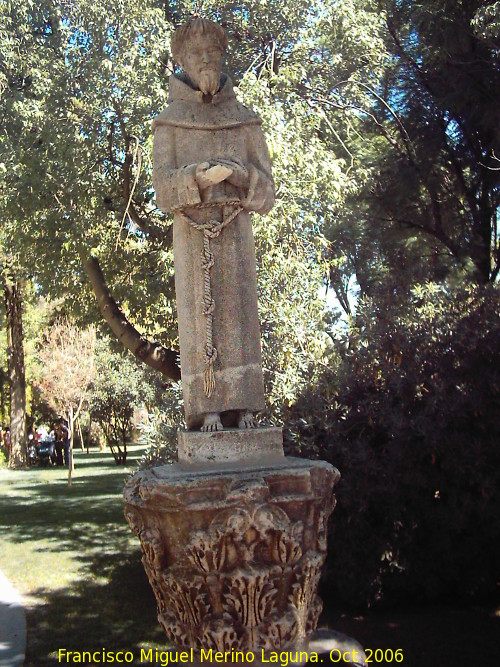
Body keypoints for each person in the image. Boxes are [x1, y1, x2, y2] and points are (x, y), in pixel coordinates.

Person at [152, 18, 275, 432]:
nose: (206, 60)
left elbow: (268, 194)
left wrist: (241, 178)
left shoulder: (244, 120)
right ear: (181, 61)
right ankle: (205, 409)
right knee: (199, 318)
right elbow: (162, 192)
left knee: (239, 316)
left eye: (213, 53)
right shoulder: (169, 123)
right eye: (196, 54)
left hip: (236, 234)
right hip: (191, 234)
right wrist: (198, 178)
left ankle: (244, 408)